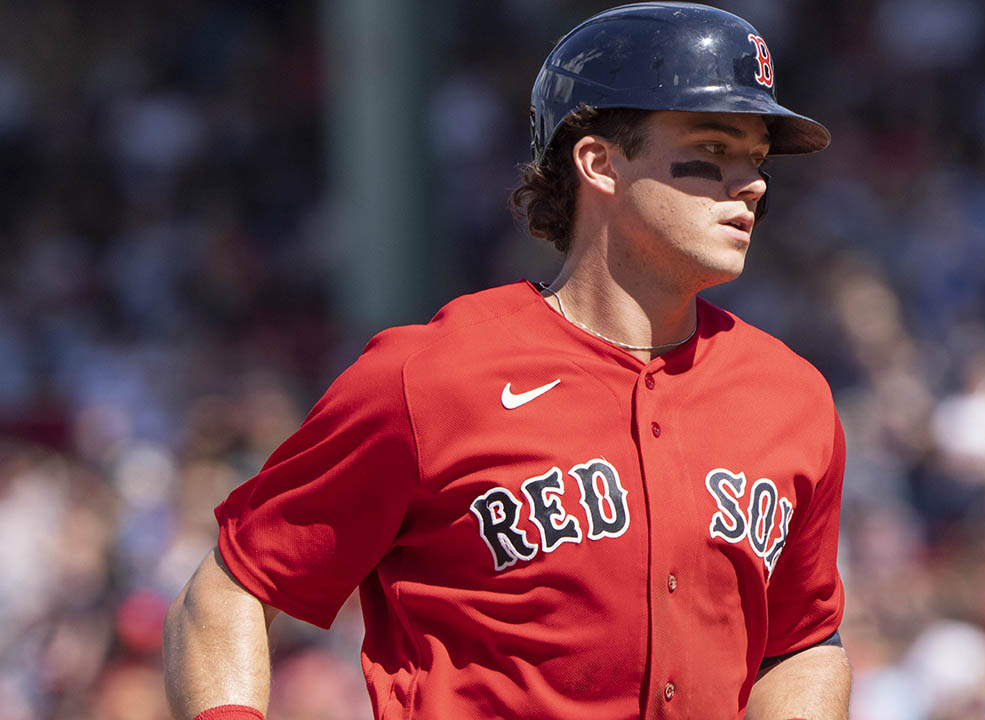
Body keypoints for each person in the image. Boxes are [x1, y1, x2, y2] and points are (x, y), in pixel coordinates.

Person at [162, 3, 850, 719]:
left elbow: (801, 642)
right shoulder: (432, 377)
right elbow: (232, 588)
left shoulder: (791, 397)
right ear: (599, 162)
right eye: (712, 152)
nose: (752, 183)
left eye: (757, 161)